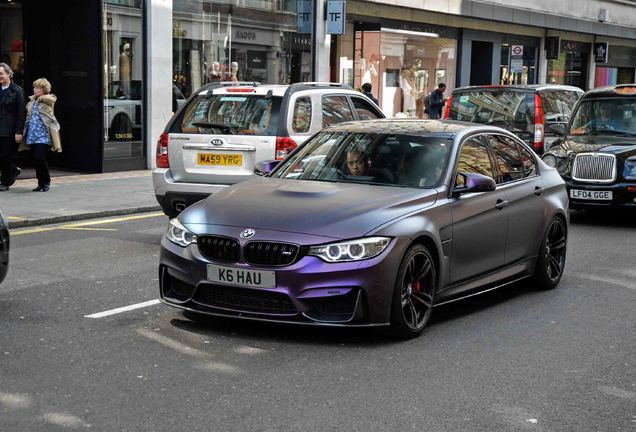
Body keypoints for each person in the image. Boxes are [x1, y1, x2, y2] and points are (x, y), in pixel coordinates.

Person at [19, 78, 61, 192]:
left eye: (37, 88)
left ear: (43, 89)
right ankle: (40, 183)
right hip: (32, 135)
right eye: (34, 87)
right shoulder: (32, 102)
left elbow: (51, 99)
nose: (34, 89)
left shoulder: (47, 101)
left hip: (44, 135)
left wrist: (42, 97)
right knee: (36, 160)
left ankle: (46, 181)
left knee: (39, 157)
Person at [0, 62, 25, 192]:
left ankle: (5, 182)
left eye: (1, 74)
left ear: (9, 74)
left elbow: (21, 113)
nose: (0, 76)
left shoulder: (17, 91)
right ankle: (13, 170)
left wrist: (18, 131)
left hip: (9, 130)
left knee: (5, 156)